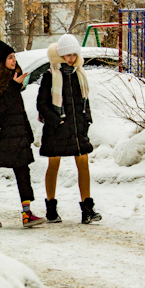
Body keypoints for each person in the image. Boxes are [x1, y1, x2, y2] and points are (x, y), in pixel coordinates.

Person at [0, 40, 45, 229]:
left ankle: (27, 213)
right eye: (10, 57)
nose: (14, 60)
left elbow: (18, 109)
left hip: (16, 134)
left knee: (23, 172)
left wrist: (27, 133)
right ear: (1, 61)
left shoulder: (14, 77)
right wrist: (14, 86)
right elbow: (0, 107)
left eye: (14, 56)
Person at [36, 34, 101, 224]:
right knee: (53, 166)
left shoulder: (79, 74)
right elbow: (42, 104)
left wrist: (86, 121)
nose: (71, 59)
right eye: (67, 55)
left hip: (77, 129)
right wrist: (57, 121)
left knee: (83, 163)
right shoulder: (50, 75)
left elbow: (84, 101)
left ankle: (87, 209)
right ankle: (51, 208)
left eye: (74, 55)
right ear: (61, 55)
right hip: (57, 129)